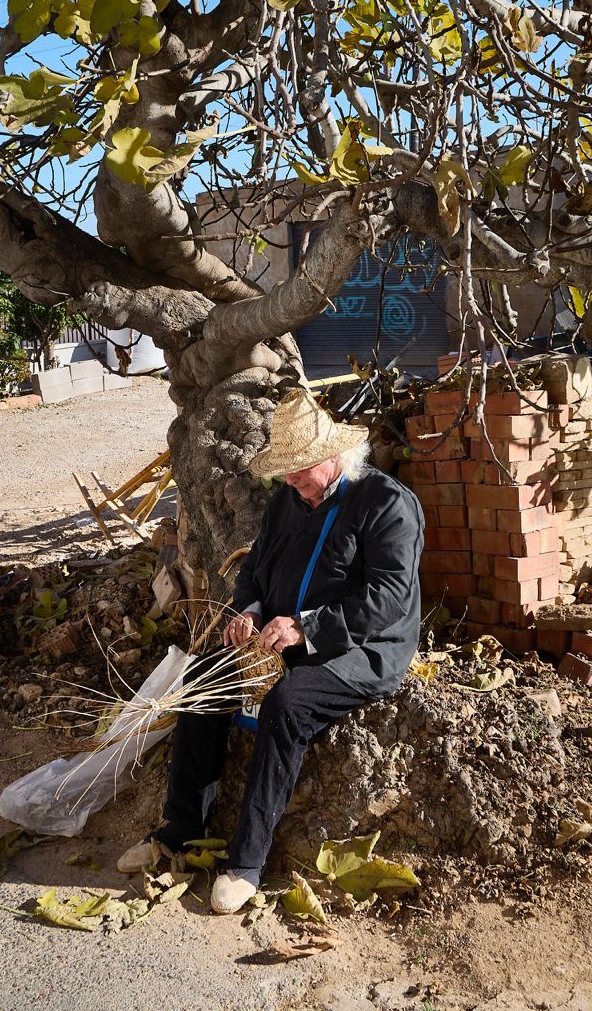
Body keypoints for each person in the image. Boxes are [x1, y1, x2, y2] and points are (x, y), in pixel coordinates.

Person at [116, 387, 425, 914]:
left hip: (362, 647)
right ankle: (179, 833)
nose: (290, 481)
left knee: (288, 704)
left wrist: (307, 629)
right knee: (202, 681)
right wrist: (251, 609)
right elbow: (256, 568)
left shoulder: (386, 503)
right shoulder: (288, 499)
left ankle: (246, 863)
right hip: (279, 635)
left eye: (299, 470)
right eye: (284, 472)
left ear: (334, 457)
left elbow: (390, 598)